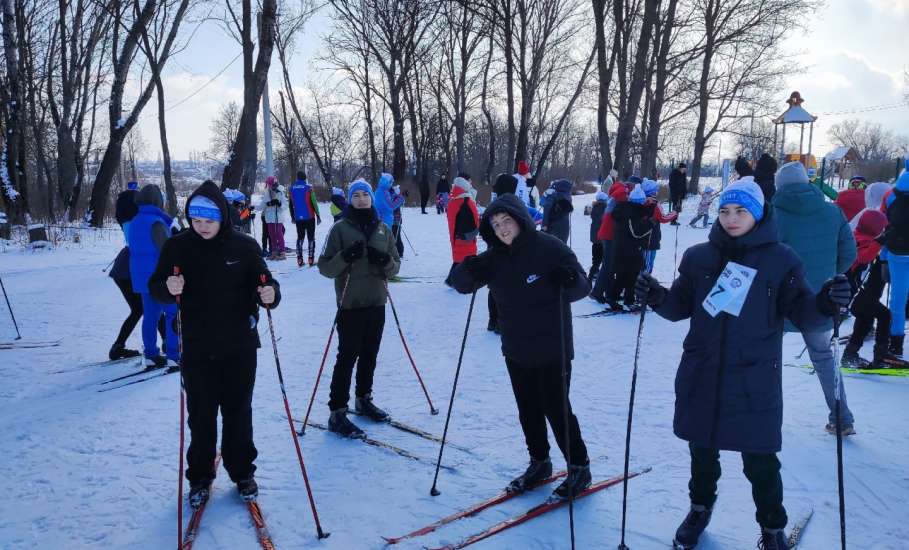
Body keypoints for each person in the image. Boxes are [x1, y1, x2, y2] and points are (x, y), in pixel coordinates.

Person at [634, 178, 851, 550]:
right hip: (702, 372)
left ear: (759, 212)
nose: (731, 219)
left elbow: (804, 314)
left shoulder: (781, 259)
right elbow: (679, 307)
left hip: (754, 378)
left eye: (741, 211)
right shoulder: (699, 257)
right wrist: (657, 297)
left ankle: (772, 527)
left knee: (760, 461)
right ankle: (699, 507)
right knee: (701, 452)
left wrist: (827, 304)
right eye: (724, 211)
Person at [451, 194, 592, 500]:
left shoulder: (550, 247)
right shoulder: (494, 257)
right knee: (527, 409)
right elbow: (461, 285)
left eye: (507, 221)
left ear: (520, 220)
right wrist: (467, 269)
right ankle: (539, 461)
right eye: (496, 224)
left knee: (557, 409)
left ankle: (579, 466)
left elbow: (583, 285)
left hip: (553, 346)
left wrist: (569, 280)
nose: (502, 229)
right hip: (516, 348)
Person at [149, 180, 281, 507]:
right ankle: (200, 477)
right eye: (196, 220)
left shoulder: (245, 246)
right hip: (197, 348)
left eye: (209, 220)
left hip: (239, 346)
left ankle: (242, 472)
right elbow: (156, 287)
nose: (202, 227)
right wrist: (169, 285)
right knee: (202, 416)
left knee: (238, 414)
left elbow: (265, 283)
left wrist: (271, 293)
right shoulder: (178, 247)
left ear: (222, 216)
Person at [773, 161, 857, 435]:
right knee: (824, 358)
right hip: (820, 299)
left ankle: (766, 416)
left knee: (768, 357)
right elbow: (849, 254)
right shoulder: (833, 212)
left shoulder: (772, 215)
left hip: (778, 300)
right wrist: (829, 277)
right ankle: (842, 417)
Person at [317, 179, 401, 438]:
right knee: (347, 356)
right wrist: (345, 257)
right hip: (350, 305)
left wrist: (384, 260)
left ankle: (363, 399)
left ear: (372, 198)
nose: (362, 199)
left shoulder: (383, 229)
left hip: (376, 302)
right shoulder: (340, 229)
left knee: (370, 354)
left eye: (365, 194)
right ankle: (337, 412)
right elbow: (325, 267)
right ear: (350, 200)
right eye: (357, 195)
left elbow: (395, 266)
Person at [843, 209, 907, 368]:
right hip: (855, 295)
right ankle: (881, 355)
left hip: (859, 296)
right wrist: (881, 240)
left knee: (865, 320)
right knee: (885, 316)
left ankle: (850, 354)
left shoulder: (865, 238)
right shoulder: (858, 240)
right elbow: (864, 257)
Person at [127, 184, 180, 369]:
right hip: (160, 277)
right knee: (172, 314)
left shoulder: (134, 221)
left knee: (150, 316)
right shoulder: (157, 222)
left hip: (141, 277)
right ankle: (174, 354)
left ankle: (150, 353)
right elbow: (167, 249)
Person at [607, 184, 653, 309]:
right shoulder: (629, 212)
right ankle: (619, 298)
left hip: (626, 248)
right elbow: (637, 232)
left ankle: (624, 298)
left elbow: (640, 213)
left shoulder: (627, 208)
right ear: (639, 201)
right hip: (627, 249)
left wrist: (650, 208)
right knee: (628, 275)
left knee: (627, 275)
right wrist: (649, 224)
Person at [883, 161, 909, 358]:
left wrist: (883, 258)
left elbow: (885, 226)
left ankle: (896, 344)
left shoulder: (892, 193)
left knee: (897, 299)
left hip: (897, 252)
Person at [589, 180, 628, 304]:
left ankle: (607, 291)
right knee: (608, 265)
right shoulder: (618, 200)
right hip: (610, 236)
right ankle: (597, 292)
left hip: (607, 235)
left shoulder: (613, 200)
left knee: (610, 264)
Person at [446, 174, 480, 286]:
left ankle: (452, 280)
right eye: (469, 181)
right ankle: (453, 281)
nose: (471, 183)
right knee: (465, 259)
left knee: (460, 258)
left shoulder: (455, 199)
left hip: (458, 235)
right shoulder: (466, 200)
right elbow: (474, 218)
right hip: (466, 235)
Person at [642, 178, 678, 273]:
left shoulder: (639, 201)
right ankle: (644, 280)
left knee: (641, 261)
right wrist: (674, 213)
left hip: (640, 237)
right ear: (654, 192)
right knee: (648, 262)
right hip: (651, 238)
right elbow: (663, 218)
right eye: (656, 190)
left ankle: (640, 279)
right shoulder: (655, 204)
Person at [289, 171, 322, 267]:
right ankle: (311, 259)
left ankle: (299, 259)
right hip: (310, 217)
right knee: (311, 238)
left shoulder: (291, 189)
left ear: (297, 178)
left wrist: (292, 217)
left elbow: (291, 205)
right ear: (305, 178)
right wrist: (318, 215)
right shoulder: (309, 188)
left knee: (300, 237)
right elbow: (314, 202)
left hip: (298, 218)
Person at [259, 176, 287, 261]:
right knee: (271, 235)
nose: (270, 186)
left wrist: (279, 204)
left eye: (271, 185)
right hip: (269, 217)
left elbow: (285, 205)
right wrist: (254, 207)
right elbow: (262, 204)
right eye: (269, 185)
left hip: (278, 217)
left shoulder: (280, 192)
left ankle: (282, 252)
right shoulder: (267, 192)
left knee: (279, 233)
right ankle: (273, 252)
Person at [541, 179, 573, 244]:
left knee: (550, 246)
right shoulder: (568, 196)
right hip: (565, 226)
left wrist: (544, 225)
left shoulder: (552, 195)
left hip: (552, 226)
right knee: (562, 247)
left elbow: (547, 209)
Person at [588, 191, 608, 281]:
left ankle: (593, 274)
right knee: (601, 259)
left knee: (596, 259)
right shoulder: (604, 208)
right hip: (601, 239)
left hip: (595, 239)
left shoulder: (595, 207)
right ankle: (594, 275)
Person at [391, 184, 405, 259]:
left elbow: (396, 205)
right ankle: (394, 251)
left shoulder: (397, 198)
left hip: (396, 220)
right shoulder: (391, 196)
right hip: (391, 220)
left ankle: (400, 252)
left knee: (397, 236)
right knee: (392, 236)